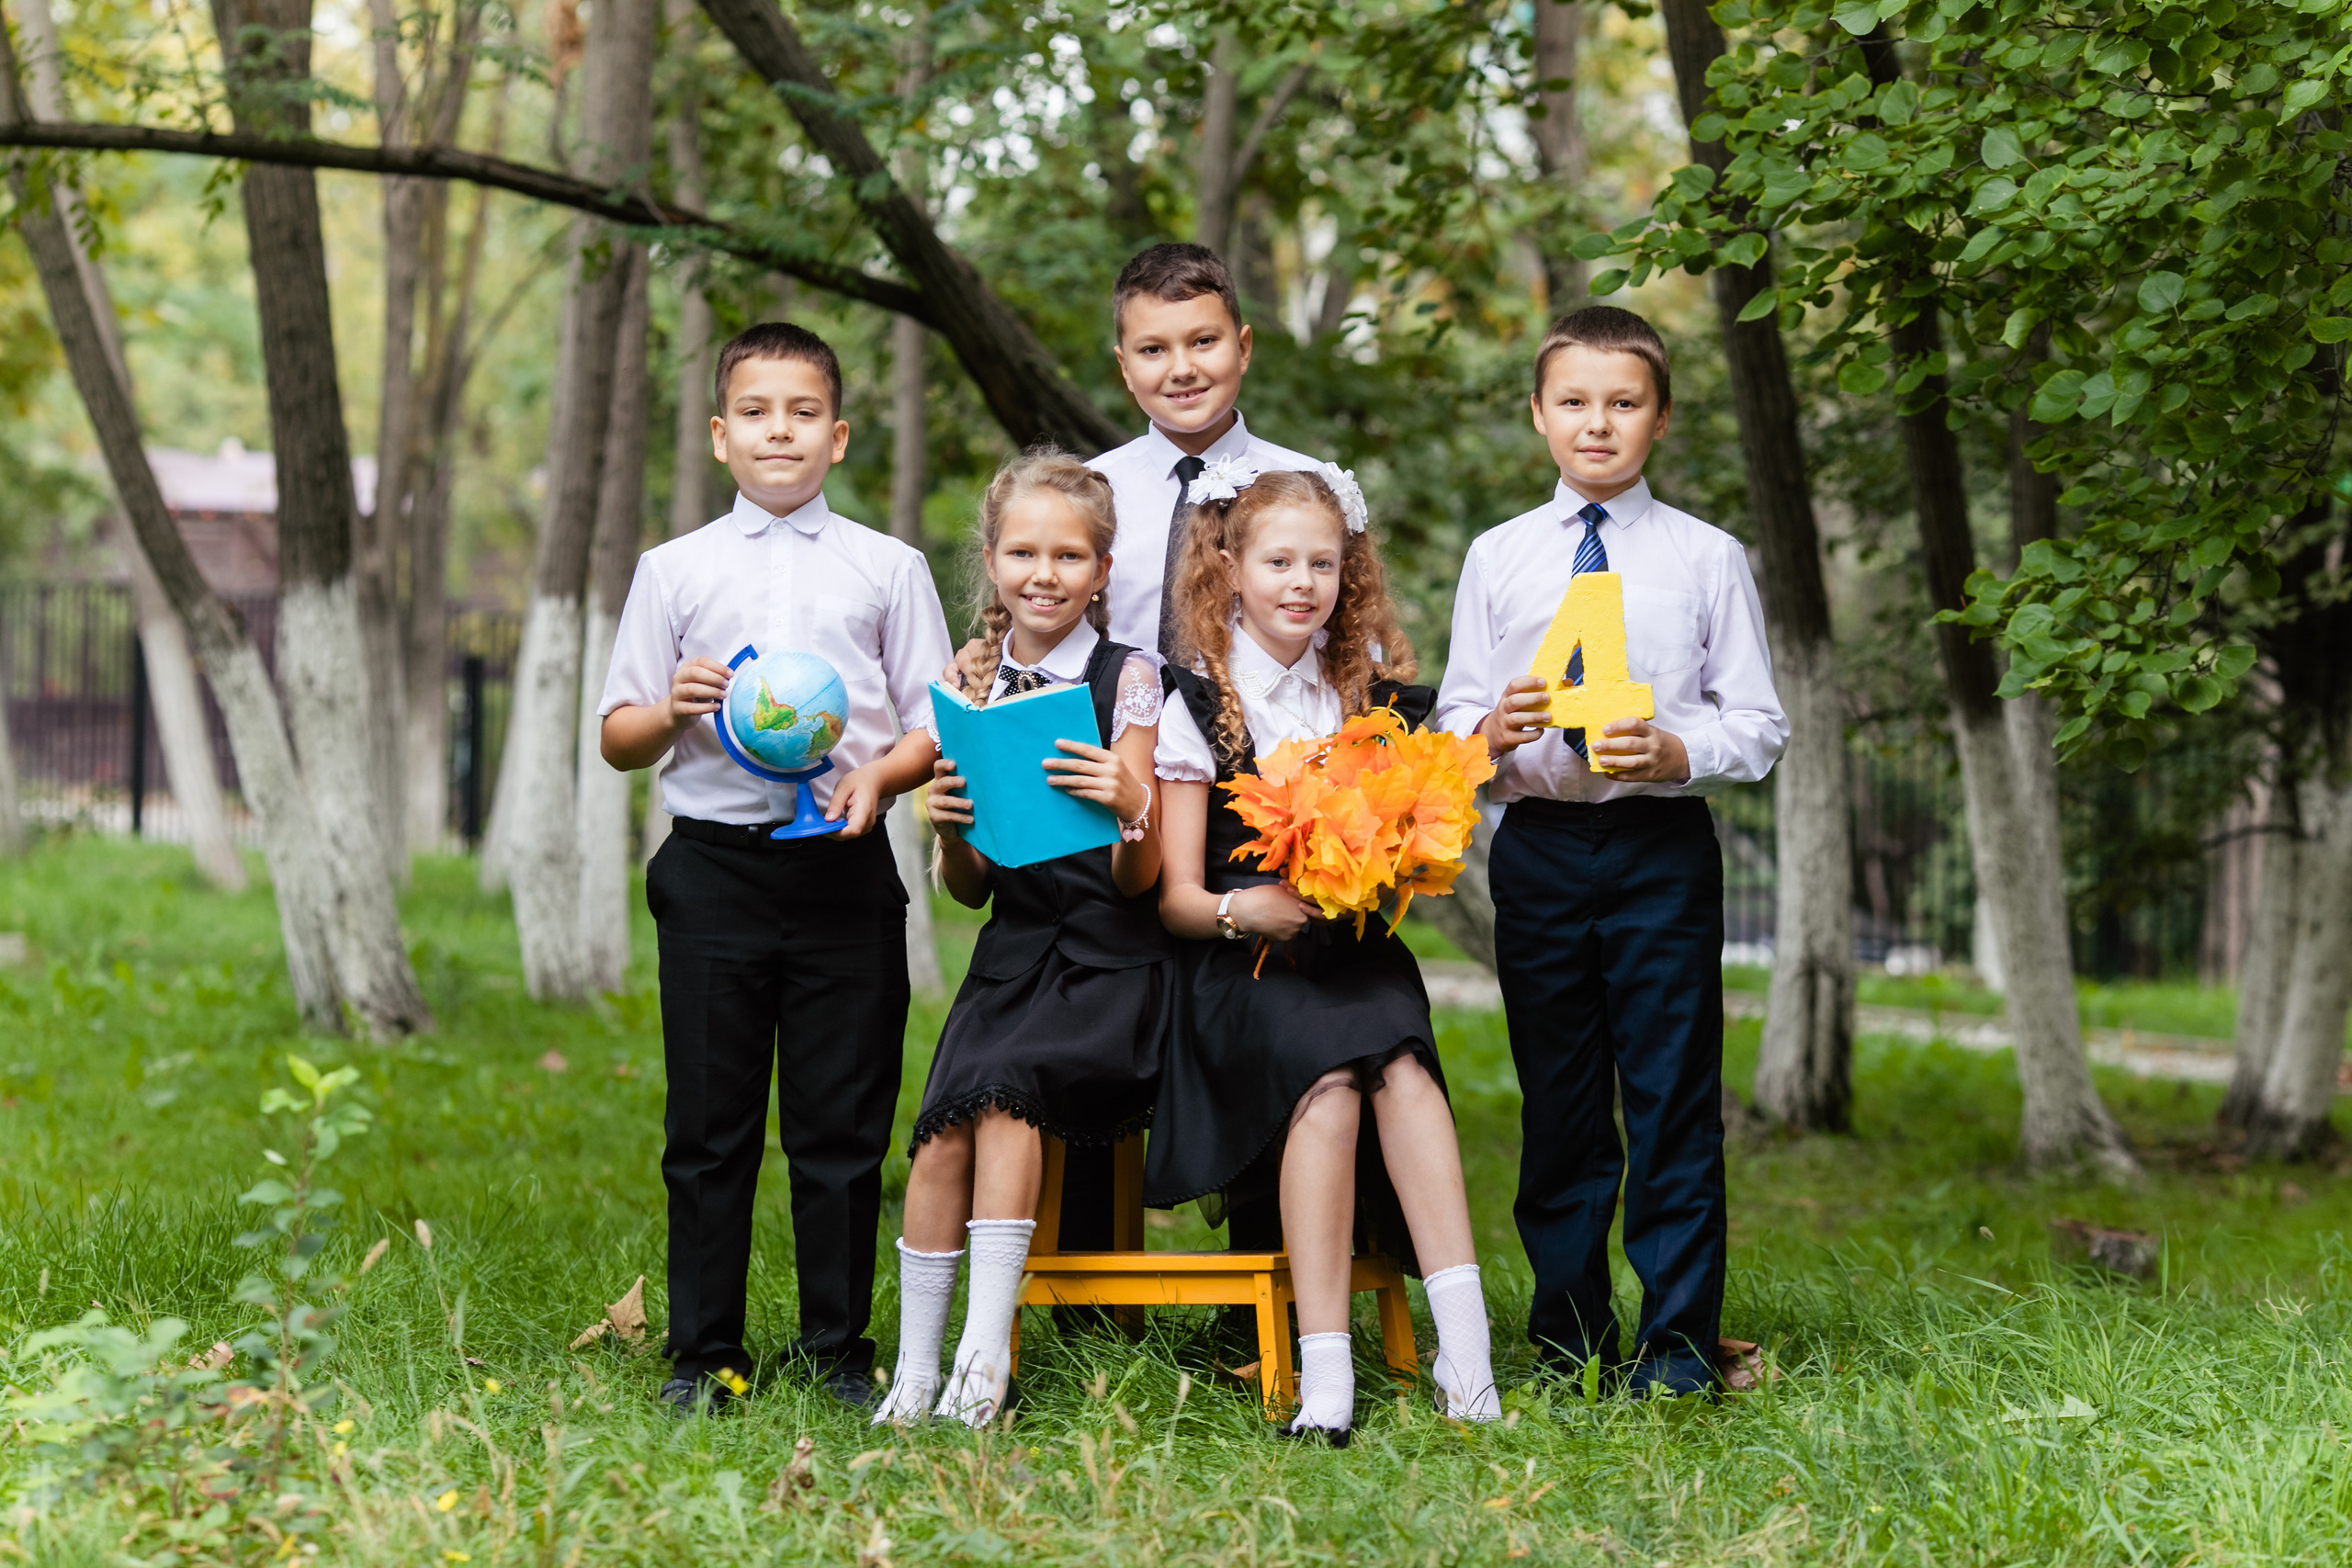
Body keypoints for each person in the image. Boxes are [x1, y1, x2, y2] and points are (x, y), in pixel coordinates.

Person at [597, 321, 952, 1416]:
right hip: (713, 874)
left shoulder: (887, 567)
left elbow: (936, 716)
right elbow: (617, 734)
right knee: (709, 1130)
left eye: (802, 412)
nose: (779, 431)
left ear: (838, 436)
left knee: (841, 1126)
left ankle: (838, 1350)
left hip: (844, 868)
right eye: (755, 412)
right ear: (718, 434)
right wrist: (672, 708)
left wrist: (881, 782)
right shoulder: (675, 572)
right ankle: (705, 1357)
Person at [1433, 305, 1788, 1398]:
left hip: (1659, 849)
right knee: (1562, 1099)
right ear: (1538, 414)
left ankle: (1676, 1346)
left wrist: (1678, 746)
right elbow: (1449, 719)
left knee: (1674, 1094)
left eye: (1623, 403)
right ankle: (1567, 1338)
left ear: (1660, 418)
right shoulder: (1497, 557)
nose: (1599, 424)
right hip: (1537, 847)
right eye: (1575, 403)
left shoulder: (1705, 557)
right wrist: (1491, 730)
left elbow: (1761, 724)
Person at [947, 244, 1326, 1269]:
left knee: (1263, 1011)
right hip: (1100, 809)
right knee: (1076, 1009)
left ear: (1242, 347)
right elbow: (1041, 636)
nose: (1182, 367)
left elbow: (1343, 647)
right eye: (1154, 349)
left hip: (1258, 806)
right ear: (1124, 365)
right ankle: (1081, 1288)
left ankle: (1277, 1287)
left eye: (1203, 341)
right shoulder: (1094, 492)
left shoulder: (1302, 486)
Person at [1147, 465, 1500, 1445]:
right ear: (1230, 566)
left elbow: (1406, 838)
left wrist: (1387, 859)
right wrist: (1239, 913)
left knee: (1406, 1069)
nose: (1301, 583)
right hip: (1237, 965)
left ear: (1348, 574)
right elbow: (1174, 898)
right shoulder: (1197, 702)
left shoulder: (1367, 696)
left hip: (1349, 954)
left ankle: (1467, 1365)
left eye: (1323, 564)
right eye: (1278, 562)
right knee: (1330, 1084)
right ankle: (1325, 1372)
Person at [872, 450, 1172, 1428]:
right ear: (993, 562)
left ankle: (983, 1358)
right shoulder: (973, 682)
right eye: (1022, 553)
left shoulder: (1127, 680)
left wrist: (1133, 807)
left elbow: (1141, 878)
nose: (1043, 574)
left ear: (1101, 570)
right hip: (1013, 953)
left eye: (1068, 556)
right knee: (937, 1133)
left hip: (1108, 958)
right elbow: (968, 890)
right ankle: (917, 1371)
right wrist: (950, 828)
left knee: (1003, 1102)